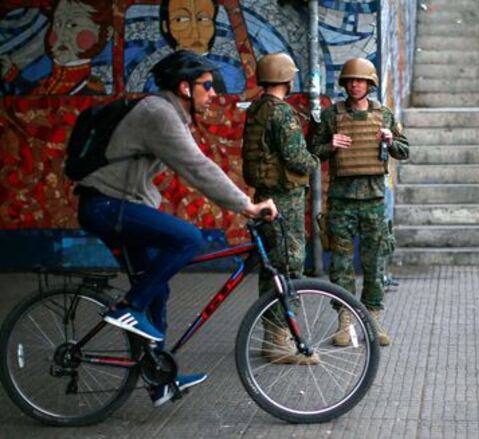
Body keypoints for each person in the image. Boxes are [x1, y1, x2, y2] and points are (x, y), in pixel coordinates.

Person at [76, 50, 277, 406]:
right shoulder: (158, 113)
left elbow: (193, 165)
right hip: (108, 207)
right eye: (207, 86)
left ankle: (159, 379)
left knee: (158, 289)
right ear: (185, 87)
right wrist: (247, 205)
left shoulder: (169, 113)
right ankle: (129, 306)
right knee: (189, 239)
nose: (213, 93)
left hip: (118, 206)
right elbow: (197, 168)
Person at [312, 57, 409, 347]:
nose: (355, 85)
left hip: (374, 201)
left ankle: (374, 320)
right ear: (344, 84)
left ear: (370, 84)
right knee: (341, 264)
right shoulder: (332, 116)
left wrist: (391, 140)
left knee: (374, 262)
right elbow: (313, 150)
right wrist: (331, 146)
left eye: (360, 80)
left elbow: (404, 151)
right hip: (341, 202)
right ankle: (345, 321)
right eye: (351, 80)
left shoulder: (385, 115)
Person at [242, 52, 320, 365]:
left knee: (271, 266)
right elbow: (297, 159)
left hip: (264, 194)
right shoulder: (282, 114)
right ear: (287, 78)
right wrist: (315, 158)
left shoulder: (257, 109)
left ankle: (271, 336)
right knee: (289, 266)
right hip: (284, 199)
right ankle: (279, 339)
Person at [0, 0, 112, 95]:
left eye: (73, 25)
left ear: (106, 32)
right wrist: (13, 75)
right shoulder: (47, 80)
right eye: (57, 24)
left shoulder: (91, 89)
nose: (61, 34)